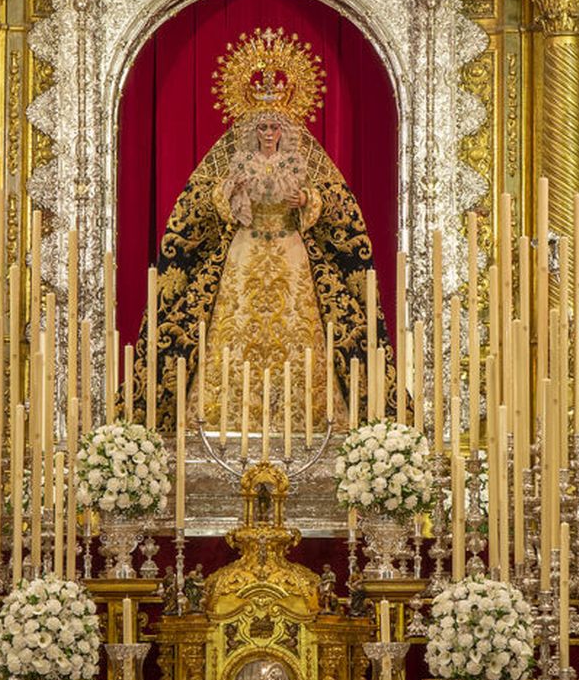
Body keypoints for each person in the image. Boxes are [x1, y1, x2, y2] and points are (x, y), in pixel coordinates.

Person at [129, 27, 389, 434]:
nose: (269, 134)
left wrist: (307, 202)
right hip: (245, 250)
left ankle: (307, 420)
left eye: (274, 128)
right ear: (254, 131)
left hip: (290, 251)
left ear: (284, 131)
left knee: (297, 327)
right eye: (263, 128)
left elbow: (334, 204)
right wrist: (230, 196)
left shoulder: (301, 162)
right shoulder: (238, 161)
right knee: (234, 328)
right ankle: (223, 418)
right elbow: (209, 201)